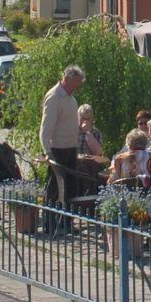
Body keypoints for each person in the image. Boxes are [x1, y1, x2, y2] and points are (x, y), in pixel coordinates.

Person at [40, 64, 86, 206]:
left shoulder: (71, 98)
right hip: (57, 150)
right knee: (55, 188)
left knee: (71, 189)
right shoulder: (54, 97)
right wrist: (48, 152)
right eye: (75, 84)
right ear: (67, 79)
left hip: (70, 149)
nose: (76, 88)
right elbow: (45, 129)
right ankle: (50, 218)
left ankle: (67, 219)